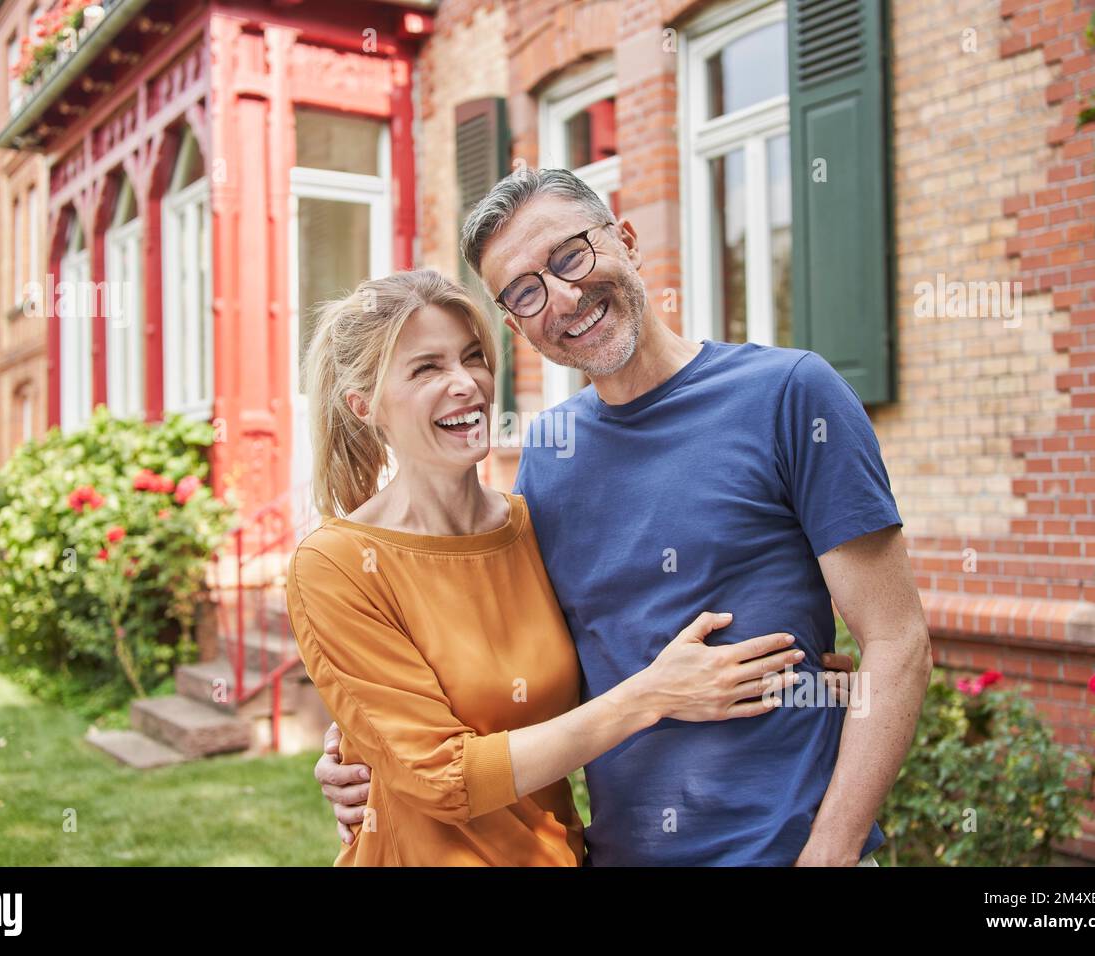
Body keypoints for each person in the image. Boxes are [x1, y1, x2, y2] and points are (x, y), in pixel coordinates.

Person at [315, 168, 933, 866]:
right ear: (517, 325)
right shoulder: (548, 457)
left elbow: (897, 642)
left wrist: (830, 852)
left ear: (627, 240)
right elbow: (538, 673)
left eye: (570, 255)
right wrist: (366, 750)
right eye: (526, 291)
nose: (565, 296)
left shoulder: (790, 395)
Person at [287, 268, 812, 866]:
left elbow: (617, 639)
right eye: (426, 368)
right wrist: (652, 696)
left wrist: (799, 651)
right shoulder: (335, 566)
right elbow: (443, 778)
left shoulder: (533, 527)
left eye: (472, 357)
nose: (465, 384)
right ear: (365, 406)